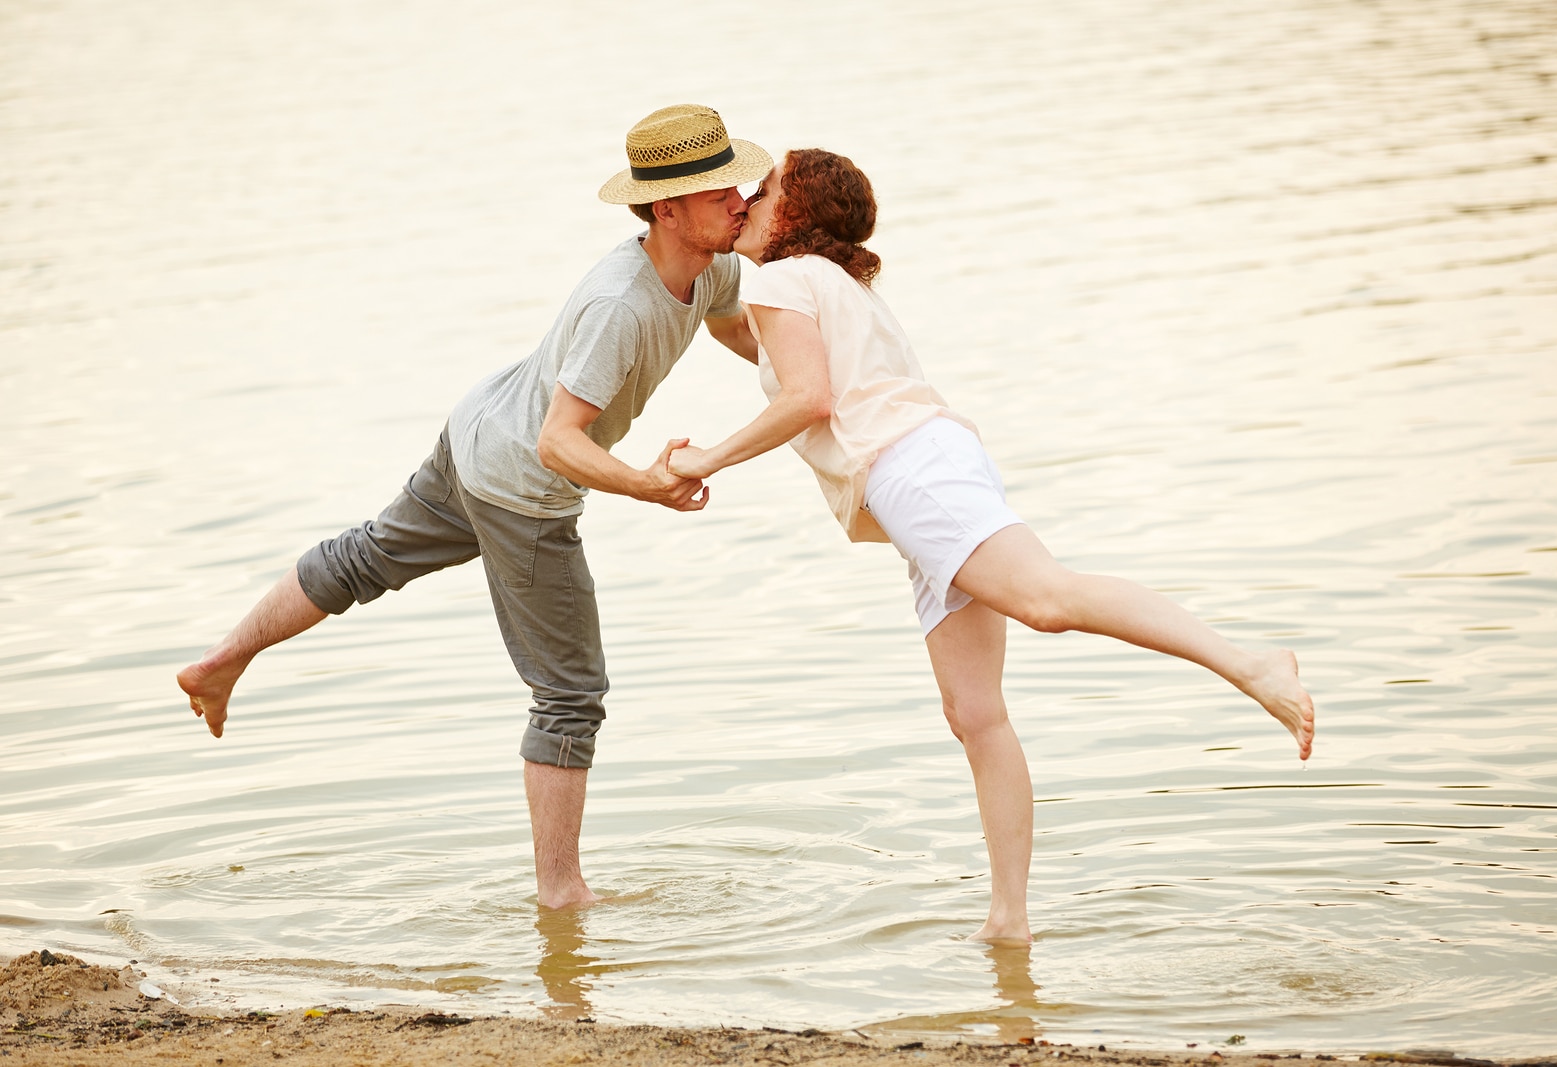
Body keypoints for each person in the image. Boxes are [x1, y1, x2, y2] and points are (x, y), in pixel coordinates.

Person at [666, 149, 1316, 944]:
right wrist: (692, 259)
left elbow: (807, 397)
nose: (743, 200)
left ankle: (1251, 664)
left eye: (760, 192)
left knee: (1047, 599)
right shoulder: (820, 285)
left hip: (915, 473)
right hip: (929, 468)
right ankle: (1009, 921)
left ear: (794, 212)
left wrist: (706, 457)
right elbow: (746, 338)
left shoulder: (784, 279)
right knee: (975, 712)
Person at [178, 105, 771, 910]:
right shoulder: (620, 306)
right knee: (570, 692)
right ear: (666, 207)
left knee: (366, 556)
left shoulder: (711, 265)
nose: (740, 200)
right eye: (717, 191)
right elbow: (560, 443)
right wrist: (646, 483)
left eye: (736, 182)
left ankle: (220, 662)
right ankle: (562, 895)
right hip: (521, 486)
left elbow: (735, 326)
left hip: (477, 428)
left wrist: (809, 378)